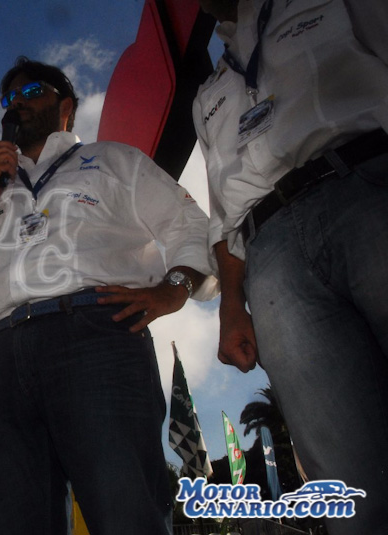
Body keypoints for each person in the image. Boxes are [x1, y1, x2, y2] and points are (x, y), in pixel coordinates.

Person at [0, 57, 216, 535]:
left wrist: (174, 290)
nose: (18, 103)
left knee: (126, 512)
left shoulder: (113, 160)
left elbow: (189, 224)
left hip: (96, 336)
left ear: (66, 106)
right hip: (0, 358)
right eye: (9, 98)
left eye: (31, 92)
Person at [193, 1, 388, 533]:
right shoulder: (208, 95)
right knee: (349, 476)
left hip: (367, 186)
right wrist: (232, 303)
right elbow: (222, 211)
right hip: (270, 252)